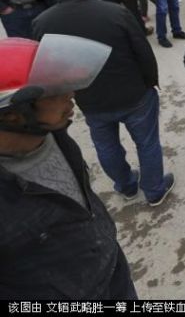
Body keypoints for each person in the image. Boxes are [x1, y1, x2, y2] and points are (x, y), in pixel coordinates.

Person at [0, 34, 138, 298]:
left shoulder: (53, 134)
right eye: (56, 92)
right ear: (13, 114)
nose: (71, 95)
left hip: (112, 269)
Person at [32, 0, 175, 210]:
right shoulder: (117, 13)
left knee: (106, 145)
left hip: (89, 97)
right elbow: (143, 52)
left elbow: (49, 67)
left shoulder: (43, 22)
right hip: (133, 94)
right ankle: (154, 190)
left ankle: (126, 186)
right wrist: (151, 83)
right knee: (147, 142)